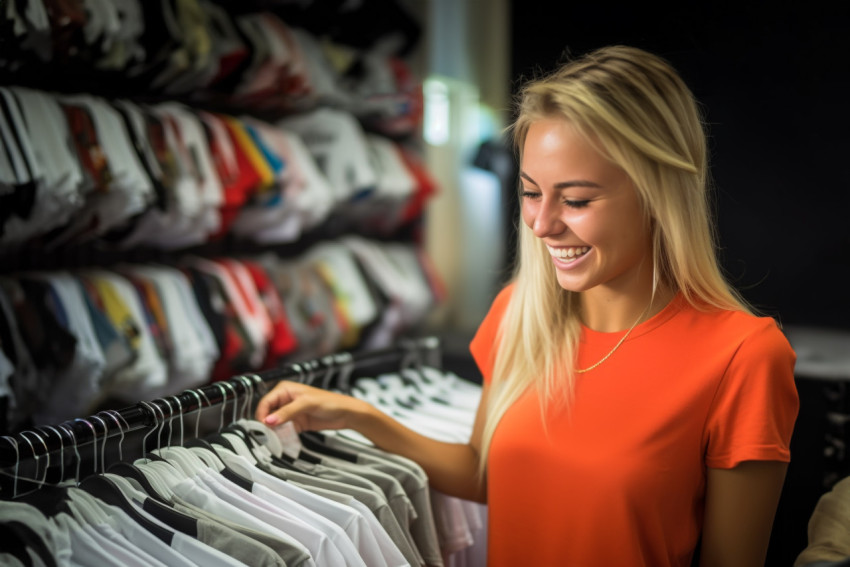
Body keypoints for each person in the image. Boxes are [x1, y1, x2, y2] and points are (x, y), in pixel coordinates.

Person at [255, 45, 800, 566]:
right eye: (532, 191)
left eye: (578, 200)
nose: (541, 224)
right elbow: (488, 475)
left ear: (660, 192)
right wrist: (361, 417)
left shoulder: (742, 357)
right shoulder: (519, 312)